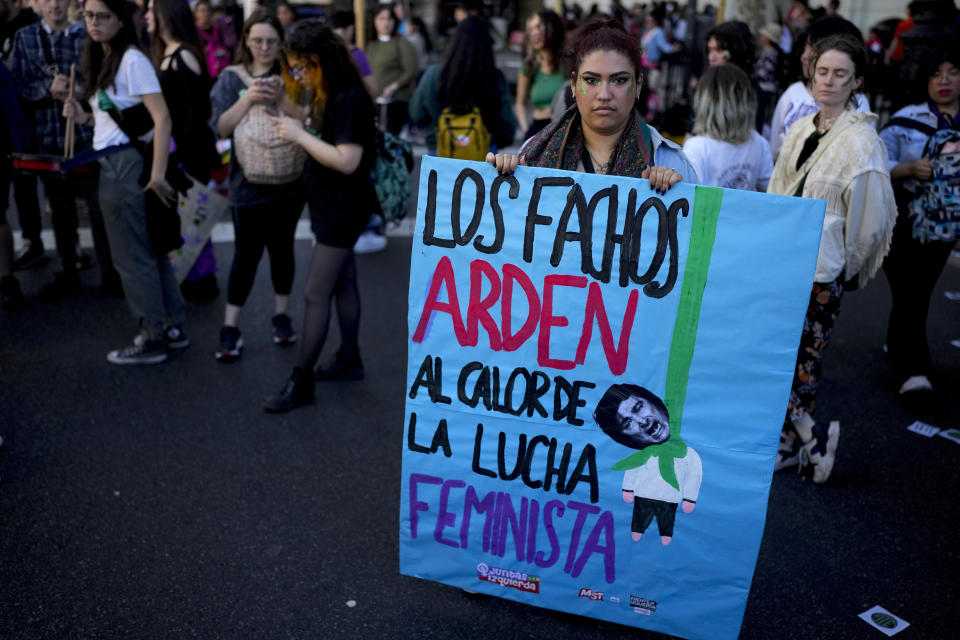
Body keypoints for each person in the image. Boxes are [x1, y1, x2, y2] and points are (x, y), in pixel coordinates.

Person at [767, 34, 897, 483]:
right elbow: (777, 191)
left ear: (856, 80)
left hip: (821, 272)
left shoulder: (863, 143)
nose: (828, 81)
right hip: (781, 263)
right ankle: (793, 442)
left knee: (797, 359)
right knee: (787, 358)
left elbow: (870, 222)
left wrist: (844, 267)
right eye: (822, 71)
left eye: (840, 74)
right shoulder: (803, 128)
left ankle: (811, 433)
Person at [62, 0, 188, 364]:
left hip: (125, 167)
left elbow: (162, 119)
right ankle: (172, 326)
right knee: (150, 249)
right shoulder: (105, 56)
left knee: (132, 256)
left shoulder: (131, 59)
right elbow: (109, 123)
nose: (94, 23)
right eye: (89, 15)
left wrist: (158, 174)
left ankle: (152, 337)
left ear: (120, 20)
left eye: (103, 16)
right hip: (120, 159)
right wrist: (82, 116)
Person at [263, 19, 379, 412]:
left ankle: (302, 377)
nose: (296, 74)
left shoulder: (348, 96)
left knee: (316, 293)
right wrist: (291, 114)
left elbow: (347, 160)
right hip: (333, 203)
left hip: (342, 207)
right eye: (291, 68)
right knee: (343, 282)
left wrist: (297, 135)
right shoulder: (329, 89)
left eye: (301, 67)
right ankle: (350, 359)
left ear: (321, 60)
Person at [488, 16, 696, 195]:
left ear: (638, 84)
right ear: (573, 84)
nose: (604, 95)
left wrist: (680, 195)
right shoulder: (531, 153)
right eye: (591, 80)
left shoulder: (671, 162)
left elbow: (697, 234)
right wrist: (500, 178)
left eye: (620, 80)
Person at [209, 9, 304, 362]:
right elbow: (219, 127)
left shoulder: (292, 76)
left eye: (271, 41)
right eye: (257, 41)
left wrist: (281, 98)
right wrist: (247, 99)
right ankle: (231, 325)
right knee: (245, 256)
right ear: (246, 41)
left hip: (291, 181)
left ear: (281, 44)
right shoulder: (231, 79)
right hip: (245, 183)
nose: (264, 47)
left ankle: (281, 314)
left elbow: (306, 121)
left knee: (283, 250)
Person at [10, 0, 120, 298]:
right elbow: (17, 84)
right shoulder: (25, 37)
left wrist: (79, 91)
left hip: (85, 133)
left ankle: (110, 273)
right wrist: (46, 88)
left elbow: (103, 80)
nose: (55, 4)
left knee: (98, 205)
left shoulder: (87, 36)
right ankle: (68, 271)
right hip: (46, 134)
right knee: (60, 209)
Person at [879, 45, 960, 395]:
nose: (943, 81)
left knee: (919, 289)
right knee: (907, 286)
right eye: (935, 73)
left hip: (946, 225)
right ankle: (908, 360)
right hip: (902, 215)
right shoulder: (905, 119)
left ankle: (907, 358)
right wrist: (908, 169)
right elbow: (877, 163)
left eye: (952, 72)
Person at [147, 0, 220, 301]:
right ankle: (194, 276)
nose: (147, 15)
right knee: (186, 218)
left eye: (153, 10)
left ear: (167, 15)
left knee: (194, 216)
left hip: (189, 153)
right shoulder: (167, 53)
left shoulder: (183, 55)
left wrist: (180, 157)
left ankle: (203, 279)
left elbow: (196, 111)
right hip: (177, 150)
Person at [593, 383, 702, 546]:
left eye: (638, 408)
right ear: (625, 438)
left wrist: (690, 498)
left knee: (666, 524)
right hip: (643, 499)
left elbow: (695, 473)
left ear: (652, 401)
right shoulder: (639, 458)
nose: (642, 422)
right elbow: (632, 471)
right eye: (628, 423)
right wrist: (628, 489)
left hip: (670, 501)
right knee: (639, 523)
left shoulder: (688, 449)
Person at [408, 15, 516, 156]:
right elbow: (507, 123)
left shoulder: (434, 75)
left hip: (440, 148)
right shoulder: (494, 77)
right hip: (485, 150)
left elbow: (416, 113)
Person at [768, 15, 870, 160]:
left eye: (812, 50)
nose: (804, 56)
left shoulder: (857, 103)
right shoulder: (792, 93)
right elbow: (775, 148)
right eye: (804, 48)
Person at [683, 64, 773, 191]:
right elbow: (771, 191)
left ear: (704, 102)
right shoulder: (759, 142)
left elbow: (687, 198)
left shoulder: (697, 147)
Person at [365, 2, 417, 136]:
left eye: (389, 19)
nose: (386, 23)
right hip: (375, 102)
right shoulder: (371, 45)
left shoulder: (401, 43)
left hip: (396, 101)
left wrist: (393, 87)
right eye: (381, 19)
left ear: (394, 21)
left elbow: (411, 70)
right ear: (375, 21)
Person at [514, 9, 565, 140]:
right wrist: (526, 131)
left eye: (538, 27)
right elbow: (519, 103)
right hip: (536, 130)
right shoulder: (529, 67)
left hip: (564, 129)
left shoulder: (568, 63)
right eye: (530, 29)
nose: (534, 33)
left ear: (552, 28)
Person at [194, 0, 227, 77]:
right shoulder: (194, 33)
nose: (206, 13)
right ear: (196, 14)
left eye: (208, 10)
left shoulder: (217, 29)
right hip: (205, 72)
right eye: (202, 11)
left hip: (221, 68)